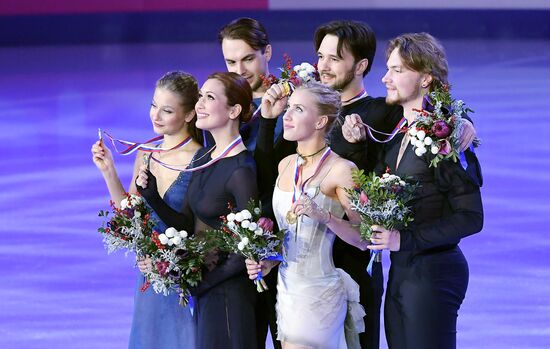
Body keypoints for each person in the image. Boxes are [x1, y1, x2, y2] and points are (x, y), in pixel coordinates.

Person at [356, 33, 483, 349]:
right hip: (403, 271)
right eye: (388, 68)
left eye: (397, 70)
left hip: (434, 272)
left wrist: (403, 239)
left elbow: (471, 217)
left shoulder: (444, 137)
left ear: (425, 77)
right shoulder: (399, 134)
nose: (385, 78)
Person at [136, 72, 259, 349]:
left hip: (229, 295)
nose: (200, 103)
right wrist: (152, 196)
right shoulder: (204, 156)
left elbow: (246, 250)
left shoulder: (242, 170)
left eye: (210, 98)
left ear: (233, 110)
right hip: (207, 289)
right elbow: (186, 225)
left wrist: (199, 285)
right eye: (201, 96)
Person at [248, 81, 369, 349]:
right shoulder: (285, 164)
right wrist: (269, 261)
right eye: (289, 108)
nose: (287, 116)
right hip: (287, 288)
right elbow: (290, 233)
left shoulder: (342, 169)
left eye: (298, 109)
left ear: (320, 121)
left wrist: (326, 216)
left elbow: (365, 238)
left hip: (319, 292)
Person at [91, 71, 201, 349]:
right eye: (154, 106)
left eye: (167, 110)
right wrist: (108, 171)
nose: (156, 116)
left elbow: (202, 229)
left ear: (189, 115)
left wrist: (169, 263)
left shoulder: (201, 159)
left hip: (186, 277)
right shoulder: (146, 154)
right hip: (149, 276)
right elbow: (130, 211)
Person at [218, 17, 283, 349]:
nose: (239, 69)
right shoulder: (223, 104)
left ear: (267, 52)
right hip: (242, 249)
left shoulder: (292, 101)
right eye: (231, 61)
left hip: (287, 241)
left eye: (248, 58)